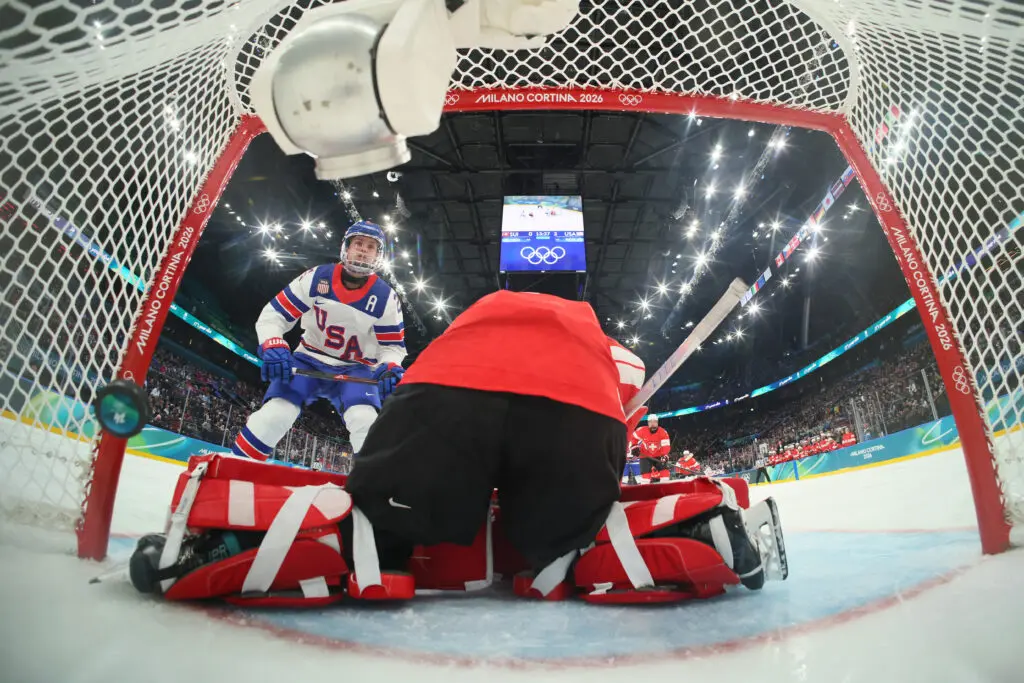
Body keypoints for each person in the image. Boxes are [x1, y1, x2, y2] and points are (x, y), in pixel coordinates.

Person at [345, 290, 650, 573]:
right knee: (568, 538)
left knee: (377, 524)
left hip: (448, 382)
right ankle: (569, 554)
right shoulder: (618, 354)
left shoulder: (480, 316)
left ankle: (372, 547)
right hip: (576, 401)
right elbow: (617, 428)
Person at [230, 220, 406, 462]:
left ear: (379, 255)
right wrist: (273, 343)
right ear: (346, 247)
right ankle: (234, 469)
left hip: (357, 367)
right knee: (274, 415)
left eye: (371, 247)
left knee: (366, 423)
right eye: (358, 243)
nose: (363, 250)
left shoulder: (386, 297)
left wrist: (389, 365)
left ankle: (367, 489)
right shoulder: (316, 278)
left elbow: (392, 346)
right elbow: (275, 315)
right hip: (309, 358)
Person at [632, 413, 671, 482]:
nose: (653, 424)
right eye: (651, 422)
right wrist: (634, 447)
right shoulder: (641, 430)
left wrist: (664, 455)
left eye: (655, 422)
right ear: (648, 423)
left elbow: (666, 445)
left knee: (665, 474)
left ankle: (664, 490)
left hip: (659, 455)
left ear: (657, 423)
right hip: (645, 456)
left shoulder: (663, 432)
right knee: (645, 477)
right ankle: (645, 491)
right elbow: (633, 437)